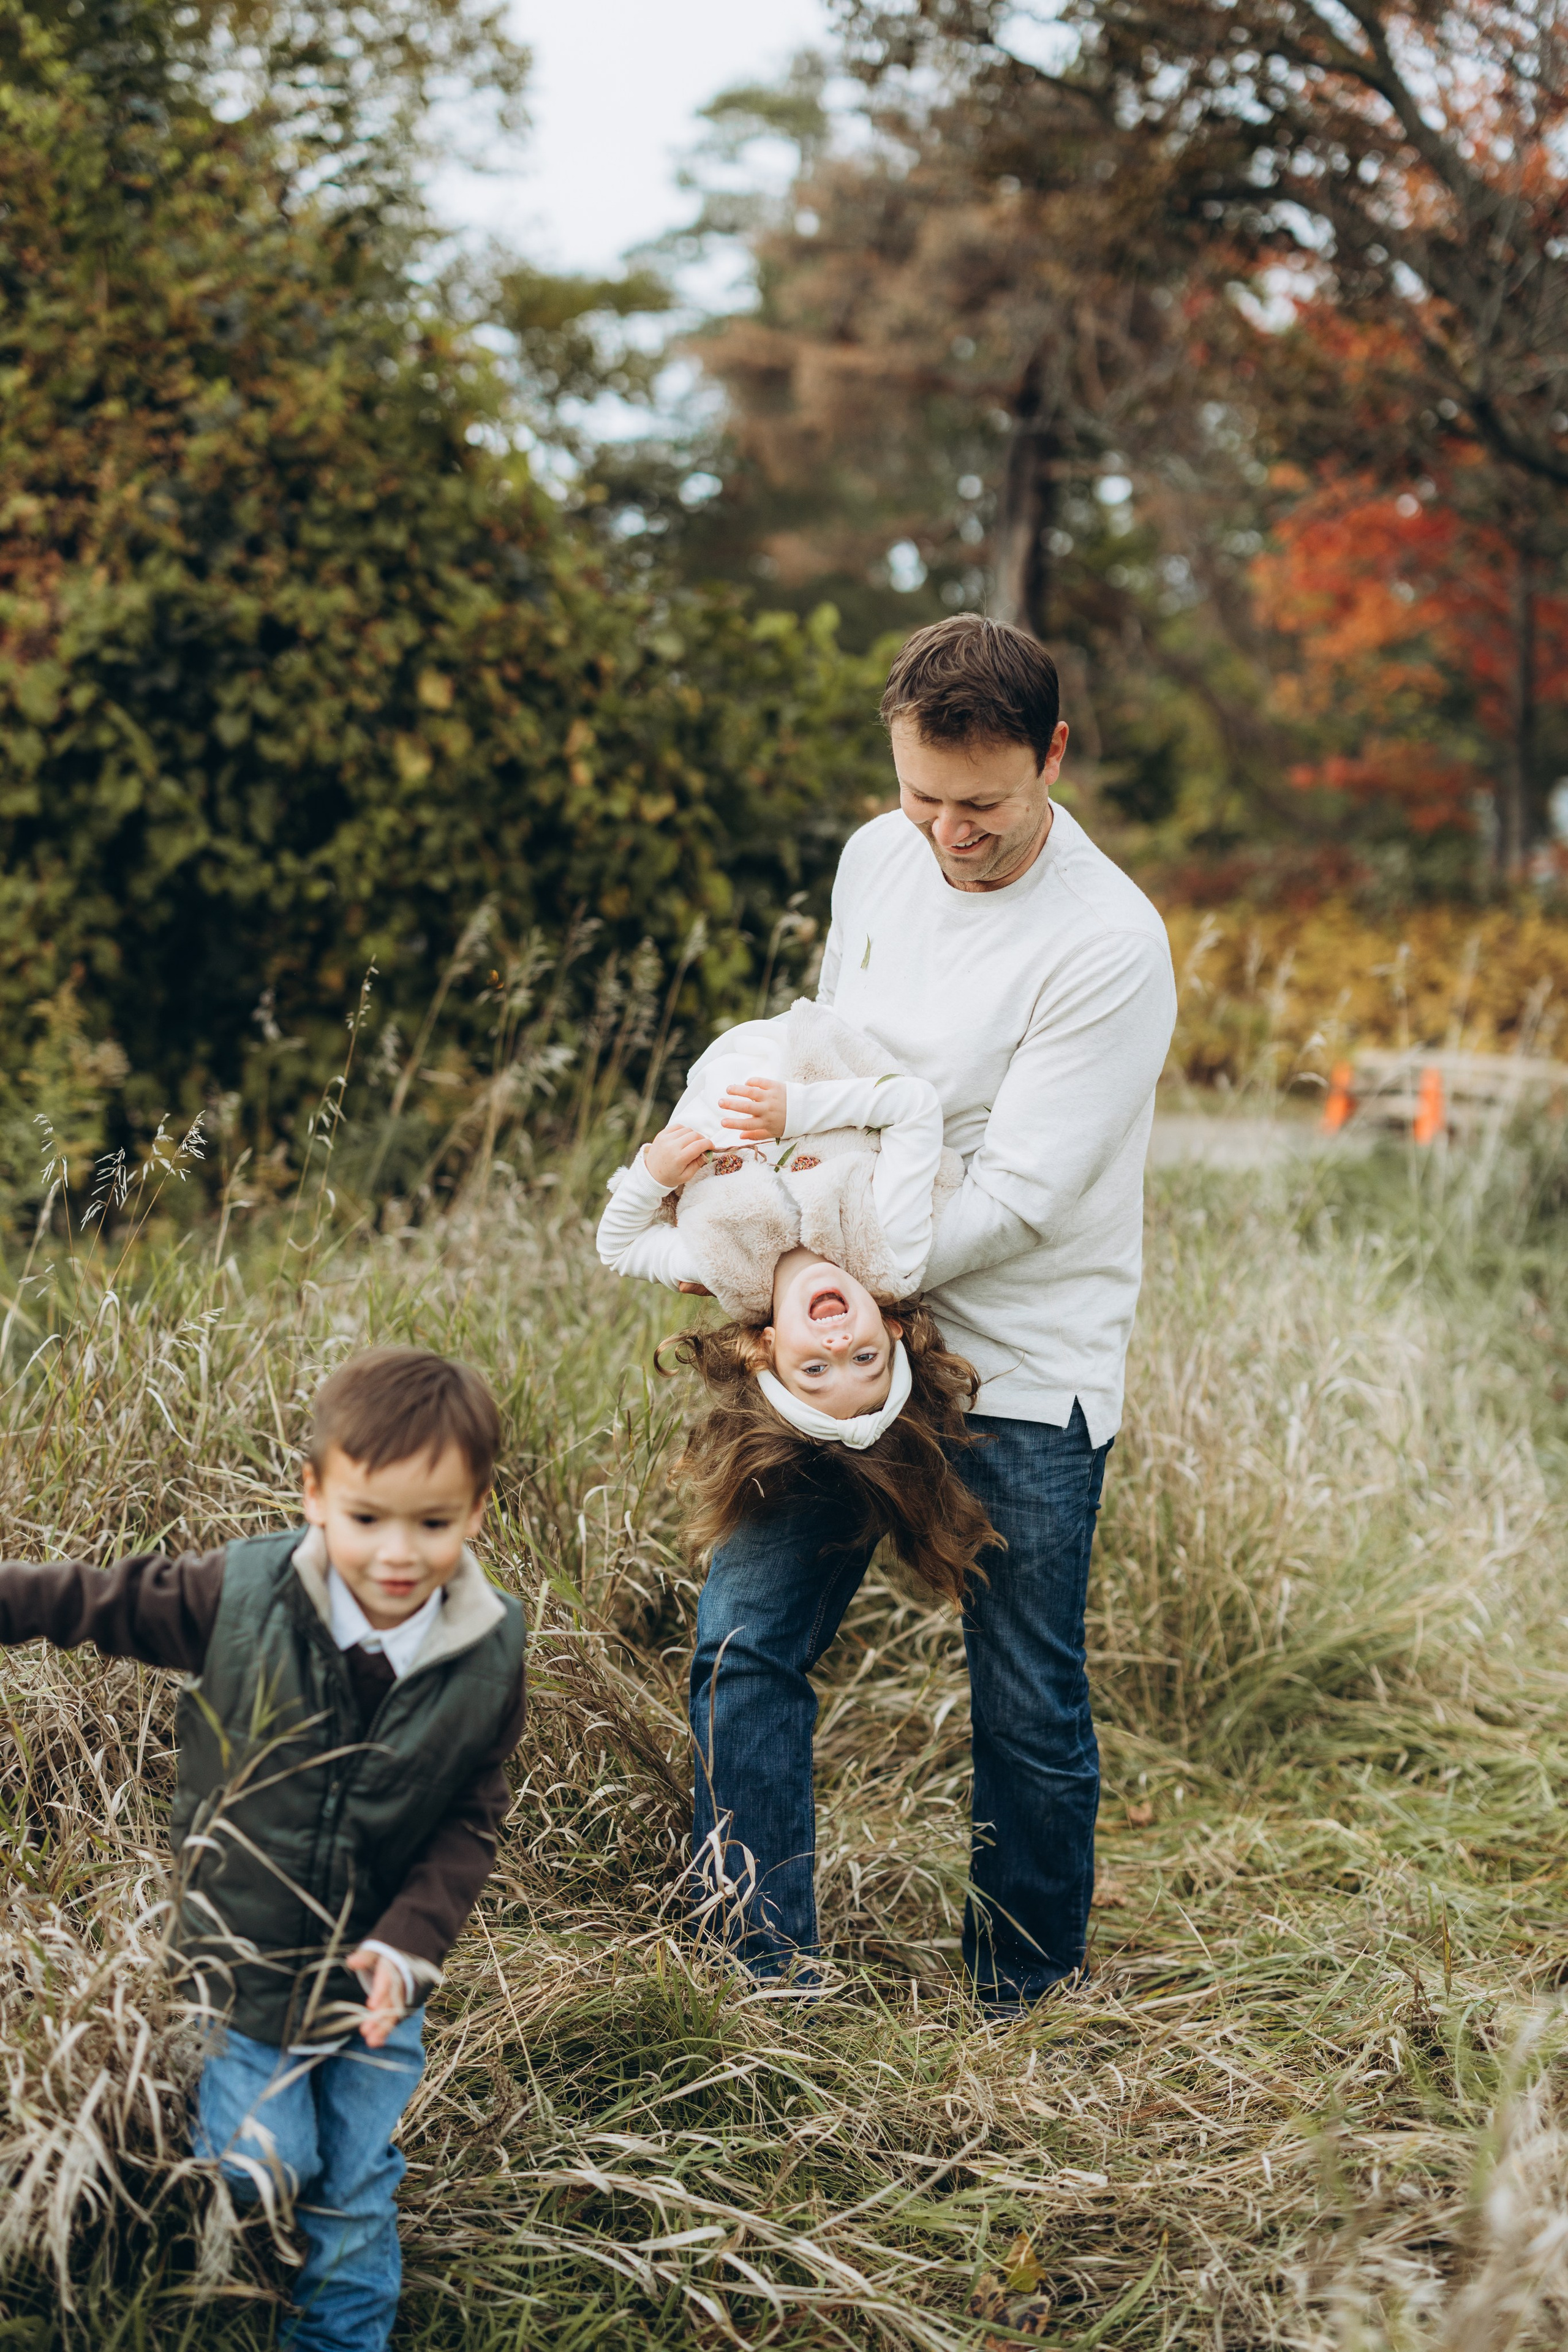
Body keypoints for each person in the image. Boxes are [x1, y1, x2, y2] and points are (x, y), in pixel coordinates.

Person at [685, 614, 1178, 2015]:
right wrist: (781, 1261)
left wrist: (838, 1260)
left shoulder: (1106, 942)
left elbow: (1017, 1196)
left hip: (1018, 1356)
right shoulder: (874, 856)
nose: (945, 832)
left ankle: (1020, 1990)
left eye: (980, 803)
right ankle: (757, 1965)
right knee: (742, 1635)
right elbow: (829, 1062)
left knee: (1023, 1703)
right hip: (838, 1332)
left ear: (1053, 757)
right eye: (919, 795)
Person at [0, 1346, 526, 2352]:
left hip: (378, 1982)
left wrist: (414, 1942)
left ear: (478, 1512)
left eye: (433, 1522)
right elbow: (90, 1600)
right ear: (316, 1494)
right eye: (368, 1518)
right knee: (265, 2165)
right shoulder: (240, 1597)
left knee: (356, 2184)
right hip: (241, 1968)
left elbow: (473, 1810)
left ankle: (336, 2337)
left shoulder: (487, 1649)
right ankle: (217, 2211)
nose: (398, 1554)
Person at [596, 995, 999, 1607]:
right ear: (891, 1328)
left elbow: (617, 1249)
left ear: (767, 1351)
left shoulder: (723, 1267)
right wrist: (800, 1111)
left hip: (719, 1062)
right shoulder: (888, 1250)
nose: (839, 1346)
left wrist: (652, 1174)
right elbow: (914, 1108)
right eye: (864, 1361)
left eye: (815, 1370)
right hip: (808, 1049)